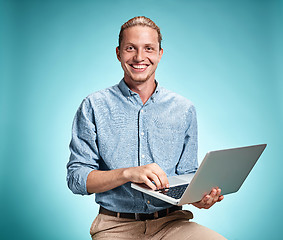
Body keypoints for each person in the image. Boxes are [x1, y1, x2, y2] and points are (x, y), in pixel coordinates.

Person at [67, 16, 226, 239]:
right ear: (118, 53)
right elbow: (76, 178)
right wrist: (127, 174)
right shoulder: (93, 106)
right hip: (115, 226)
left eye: (148, 48)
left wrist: (201, 198)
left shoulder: (184, 109)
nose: (140, 57)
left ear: (160, 54)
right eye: (131, 48)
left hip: (171, 223)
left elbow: (187, 176)